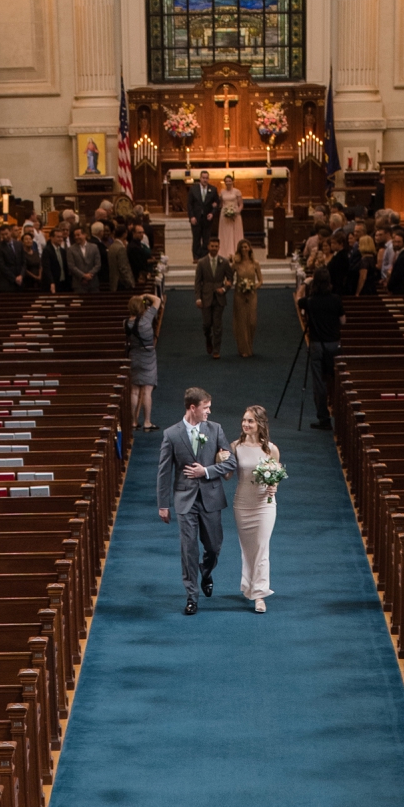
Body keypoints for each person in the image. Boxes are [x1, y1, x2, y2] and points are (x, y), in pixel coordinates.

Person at [156, 385, 231, 616]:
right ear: (193, 408)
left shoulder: (215, 429)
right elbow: (164, 471)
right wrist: (163, 504)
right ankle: (191, 596)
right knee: (188, 549)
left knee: (214, 546)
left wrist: (205, 471)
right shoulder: (171, 434)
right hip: (185, 500)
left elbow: (230, 463)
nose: (209, 412)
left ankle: (206, 572)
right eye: (205, 408)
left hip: (211, 497)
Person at [230, 401, 277, 612]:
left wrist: (274, 487)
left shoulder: (271, 449)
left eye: (250, 420)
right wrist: (220, 459)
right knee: (248, 549)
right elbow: (228, 474)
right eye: (244, 420)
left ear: (259, 423)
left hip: (264, 505)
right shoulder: (235, 447)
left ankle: (260, 594)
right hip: (242, 504)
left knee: (261, 547)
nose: (245, 424)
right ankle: (248, 586)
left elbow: (274, 477)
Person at [303, 264, 343, 430]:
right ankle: (341, 417)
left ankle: (324, 418)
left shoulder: (311, 302)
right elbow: (343, 320)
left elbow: (302, 308)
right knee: (336, 380)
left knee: (319, 383)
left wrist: (304, 287)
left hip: (317, 344)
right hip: (334, 343)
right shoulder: (335, 299)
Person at [124, 291, 161, 434]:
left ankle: (133, 421)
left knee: (134, 391)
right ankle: (147, 422)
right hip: (148, 356)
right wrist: (145, 296)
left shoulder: (126, 323)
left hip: (134, 356)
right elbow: (157, 300)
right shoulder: (146, 319)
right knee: (147, 391)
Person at [194, 238, 233, 359]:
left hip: (219, 297)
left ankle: (216, 350)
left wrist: (225, 289)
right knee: (207, 324)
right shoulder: (202, 262)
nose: (214, 248)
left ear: (219, 247)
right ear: (208, 247)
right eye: (212, 246)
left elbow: (230, 279)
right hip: (206, 297)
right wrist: (198, 298)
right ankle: (208, 339)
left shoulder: (224, 262)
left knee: (217, 324)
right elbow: (198, 282)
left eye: (216, 246)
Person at [230, 240, 262, 358]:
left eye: (246, 247)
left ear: (249, 248)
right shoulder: (236, 264)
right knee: (242, 321)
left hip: (252, 295)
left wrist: (252, 287)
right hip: (239, 295)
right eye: (242, 247)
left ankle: (250, 345)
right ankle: (244, 348)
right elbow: (229, 278)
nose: (244, 249)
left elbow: (261, 280)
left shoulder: (255, 263)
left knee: (252, 321)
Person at [188, 167, 221, 259]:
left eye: (207, 178)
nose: (205, 180)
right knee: (196, 238)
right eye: (203, 178)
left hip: (207, 218)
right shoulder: (193, 189)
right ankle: (196, 257)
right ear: (200, 178)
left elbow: (217, 203)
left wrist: (212, 213)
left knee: (206, 239)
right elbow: (189, 204)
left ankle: (205, 257)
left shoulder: (213, 189)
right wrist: (191, 217)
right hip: (196, 218)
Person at [68, 224, 102, 297]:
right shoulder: (71, 249)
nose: (76, 237)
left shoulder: (94, 247)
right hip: (79, 284)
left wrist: (89, 275)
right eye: (75, 236)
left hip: (93, 283)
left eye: (78, 235)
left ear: (84, 235)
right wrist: (83, 276)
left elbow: (98, 264)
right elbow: (71, 266)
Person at [217, 173, 244, 258]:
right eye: (226, 181)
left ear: (232, 181)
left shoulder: (237, 191)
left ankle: (237, 251)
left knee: (236, 233)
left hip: (235, 214)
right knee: (225, 233)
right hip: (224, 214)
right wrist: (224, 210)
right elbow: (221, 204)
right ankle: (225, 252)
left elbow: (241, 204)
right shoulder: (222, 192)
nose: (228, 182)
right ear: (224, 182)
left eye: (230, 181)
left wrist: (236, 212)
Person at [0, 223, 25, 292]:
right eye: (3, 234)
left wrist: (21, 275)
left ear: (10, 232)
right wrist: (14, 278)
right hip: (7, 282)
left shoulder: (19, 244)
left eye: (6, 234)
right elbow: (2, 266)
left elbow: (24, 262)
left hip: (20, 279)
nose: (5, 236)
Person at [41, 225, 71, 293]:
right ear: (52, 238)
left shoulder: (63, 251)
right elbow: (46, 268)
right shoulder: (47, 250)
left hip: (63, 283)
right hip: (52, 283)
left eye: (61, 237)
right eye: (58, 237)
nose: (60, 239)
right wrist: (51, 282)